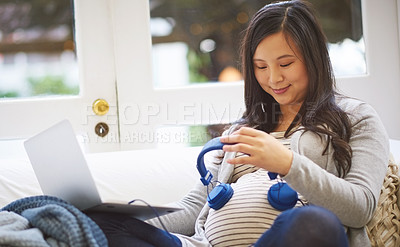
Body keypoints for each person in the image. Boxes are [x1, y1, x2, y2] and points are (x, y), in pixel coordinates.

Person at [87, 1, 390, 246]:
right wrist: (129, 219)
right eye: (261, 67)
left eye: (285, 64)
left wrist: (288, 163)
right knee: (98, 225)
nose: (273, 78)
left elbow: (360, 207)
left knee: (313, 224)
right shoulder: (242, 130)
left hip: (295, 235)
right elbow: (194, 208)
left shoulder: (355, 118)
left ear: (314, 59)